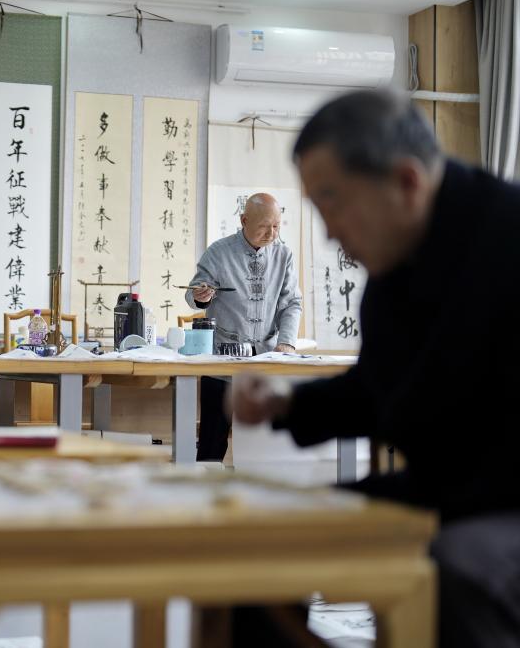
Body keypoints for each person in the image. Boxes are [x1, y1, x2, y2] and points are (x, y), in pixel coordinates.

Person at [232, 90, 520, 647]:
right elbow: (383, 389)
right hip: (452, 488)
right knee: (255, 539)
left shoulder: (505, 239)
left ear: (407, 182)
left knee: (458, 564)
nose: (330, 232)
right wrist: (285, 403)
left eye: (333, 203)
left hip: (500, 499)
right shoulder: (396, 265)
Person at [184, 192, 303, 460]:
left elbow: (292, 303)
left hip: (266, 359)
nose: (271, 233)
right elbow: (192, 294)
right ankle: (206, 495)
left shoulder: (284, 256)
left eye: (276, 226)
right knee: (212, 443)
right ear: (244, 220)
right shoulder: (219, 251)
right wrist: (200, 296)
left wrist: (287, 342)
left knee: (265, 444)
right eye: (264, 226)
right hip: (221, 360)